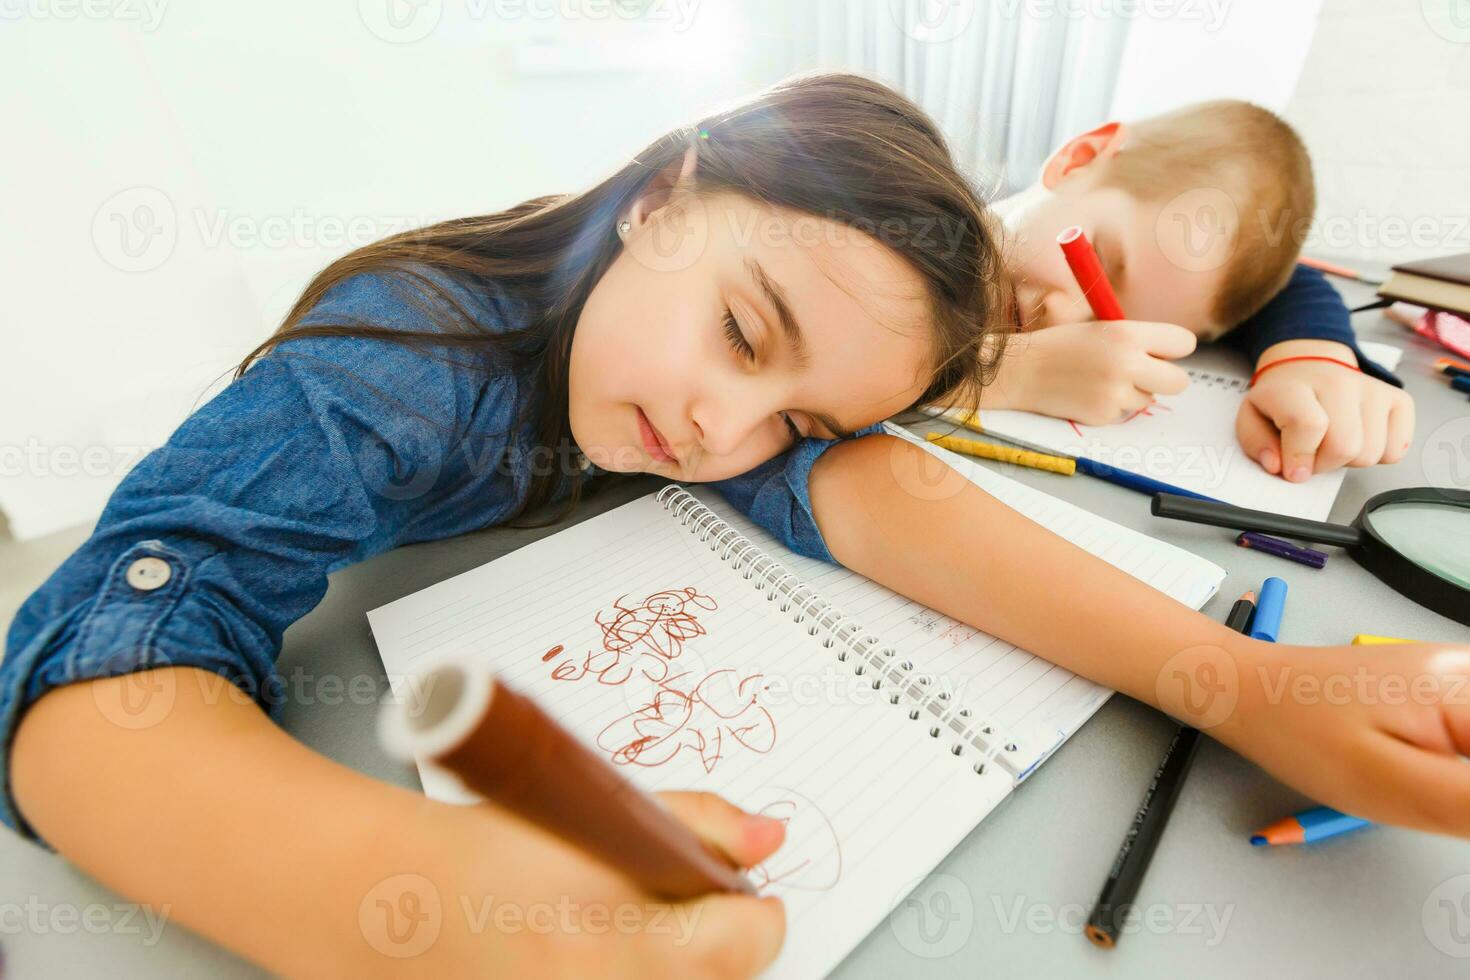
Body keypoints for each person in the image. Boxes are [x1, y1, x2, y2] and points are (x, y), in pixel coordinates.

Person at [5, 74, 1466, 978]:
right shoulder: (393, 370)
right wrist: (389, 899)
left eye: (796, 417)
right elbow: (99, 648)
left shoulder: (787, 317)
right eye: (743, 333)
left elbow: (871, 485)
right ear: (659, 198)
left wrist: (1248, 683)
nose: (724, 433)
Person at [984, 99, 1414, 483]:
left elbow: (1294, 284)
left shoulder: (1138, 259)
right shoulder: (919, 206)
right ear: (1079, 160)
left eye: (1112, 323)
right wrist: (1014, 374)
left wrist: (1310, 357)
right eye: (1097, 260)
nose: (1064, 322)